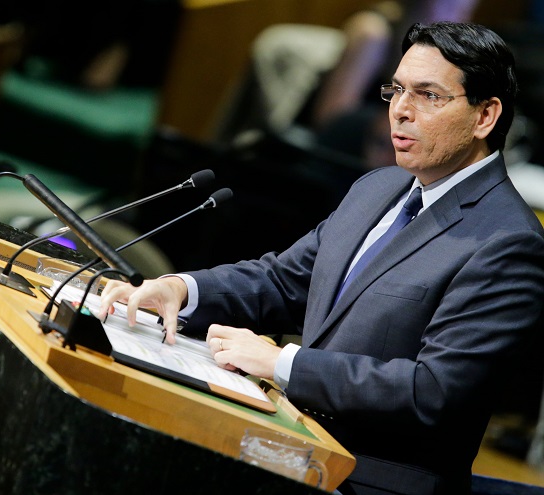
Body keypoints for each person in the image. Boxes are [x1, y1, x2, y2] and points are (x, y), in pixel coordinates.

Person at [99, 21, 544, 495]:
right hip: (289, 443)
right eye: (395, 90)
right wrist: (182, 289)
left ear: (485, 116)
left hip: (370, 480)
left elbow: (433, 391)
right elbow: (284, 281)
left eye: (428, 95)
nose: (400, 111)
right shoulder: (378, 187)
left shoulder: (508, 241)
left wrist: (283, 363)